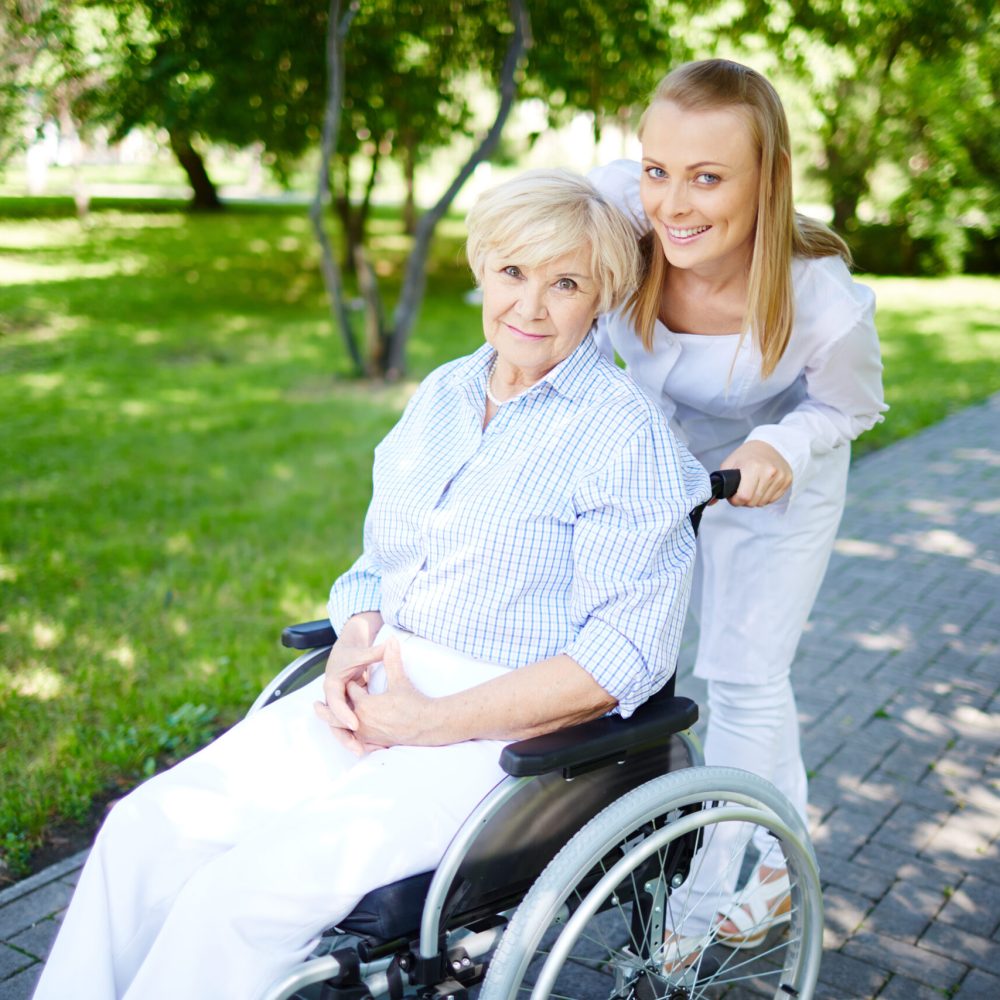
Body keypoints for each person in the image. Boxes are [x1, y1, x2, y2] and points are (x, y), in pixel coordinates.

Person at [33, 169, 710, 1000]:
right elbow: (375, 564)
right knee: (143, 831)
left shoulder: (621, 434)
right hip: (377, 693)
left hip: (506, 740)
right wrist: (352, 641)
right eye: (513, 273)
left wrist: (433, 722)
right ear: (481, 270)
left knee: (238, 899)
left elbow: (622, 657)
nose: (530, 307)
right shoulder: (444, 396)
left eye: (564, 282)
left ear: (600, 293)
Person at [589, 59, 886, 960]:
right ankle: (765, 846)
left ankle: (721, 882)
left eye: (708, 176)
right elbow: (530, 267)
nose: (673, 203)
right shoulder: (616, 214)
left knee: (743, 671)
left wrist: (781, 447)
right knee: (615, 646)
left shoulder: (822, 303)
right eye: (657, 168)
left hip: (776, 470)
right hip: (656, 456)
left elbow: (849, 408)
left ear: (767, 179)